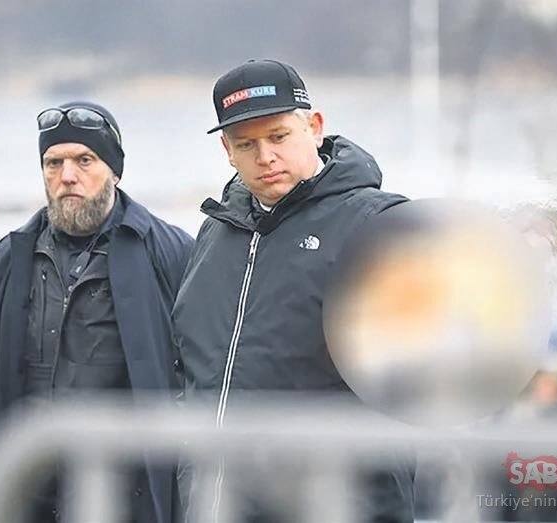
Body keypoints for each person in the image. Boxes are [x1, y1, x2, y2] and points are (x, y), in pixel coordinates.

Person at [171, 59, 414, 521]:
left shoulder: (380, 226)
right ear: (227, 150)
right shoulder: (216, 233)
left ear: (314, 127)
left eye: (278, 136)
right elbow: (192, 369)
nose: (265, 156)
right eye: (246, 144)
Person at [0, 101, 193, 522]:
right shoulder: (8, 258)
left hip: (127, 497)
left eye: (84, 160)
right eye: (53, 163)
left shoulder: (169, 252)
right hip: (26, 491)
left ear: (114, 170)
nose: (67, 176)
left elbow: (202, 379)